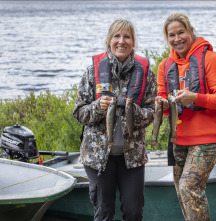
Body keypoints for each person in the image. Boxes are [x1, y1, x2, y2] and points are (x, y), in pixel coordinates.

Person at [73, 19, 156, 221]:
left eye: (127, 36)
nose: (121, 41)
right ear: (109, 40)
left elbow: (152, 112)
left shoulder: (145, 73)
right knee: (104, 211)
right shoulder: (93, 72)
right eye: (117, 36)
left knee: (134, 212)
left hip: (133, 158)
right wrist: (97, 107)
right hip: (98, 157)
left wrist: (133, 111)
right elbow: (79, 113)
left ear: (133, 41)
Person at [156, 13, 216, 221]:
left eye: (181, 32)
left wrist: (195, 97)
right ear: (167, 38)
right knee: (183, 192)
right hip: (179, 139)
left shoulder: (211, 59)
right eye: (171, 35)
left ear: (191, 32)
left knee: (189, 188)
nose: (177, 38)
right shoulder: (164, 66)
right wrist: (161, 104)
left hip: (209, 138)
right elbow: (163, 104)